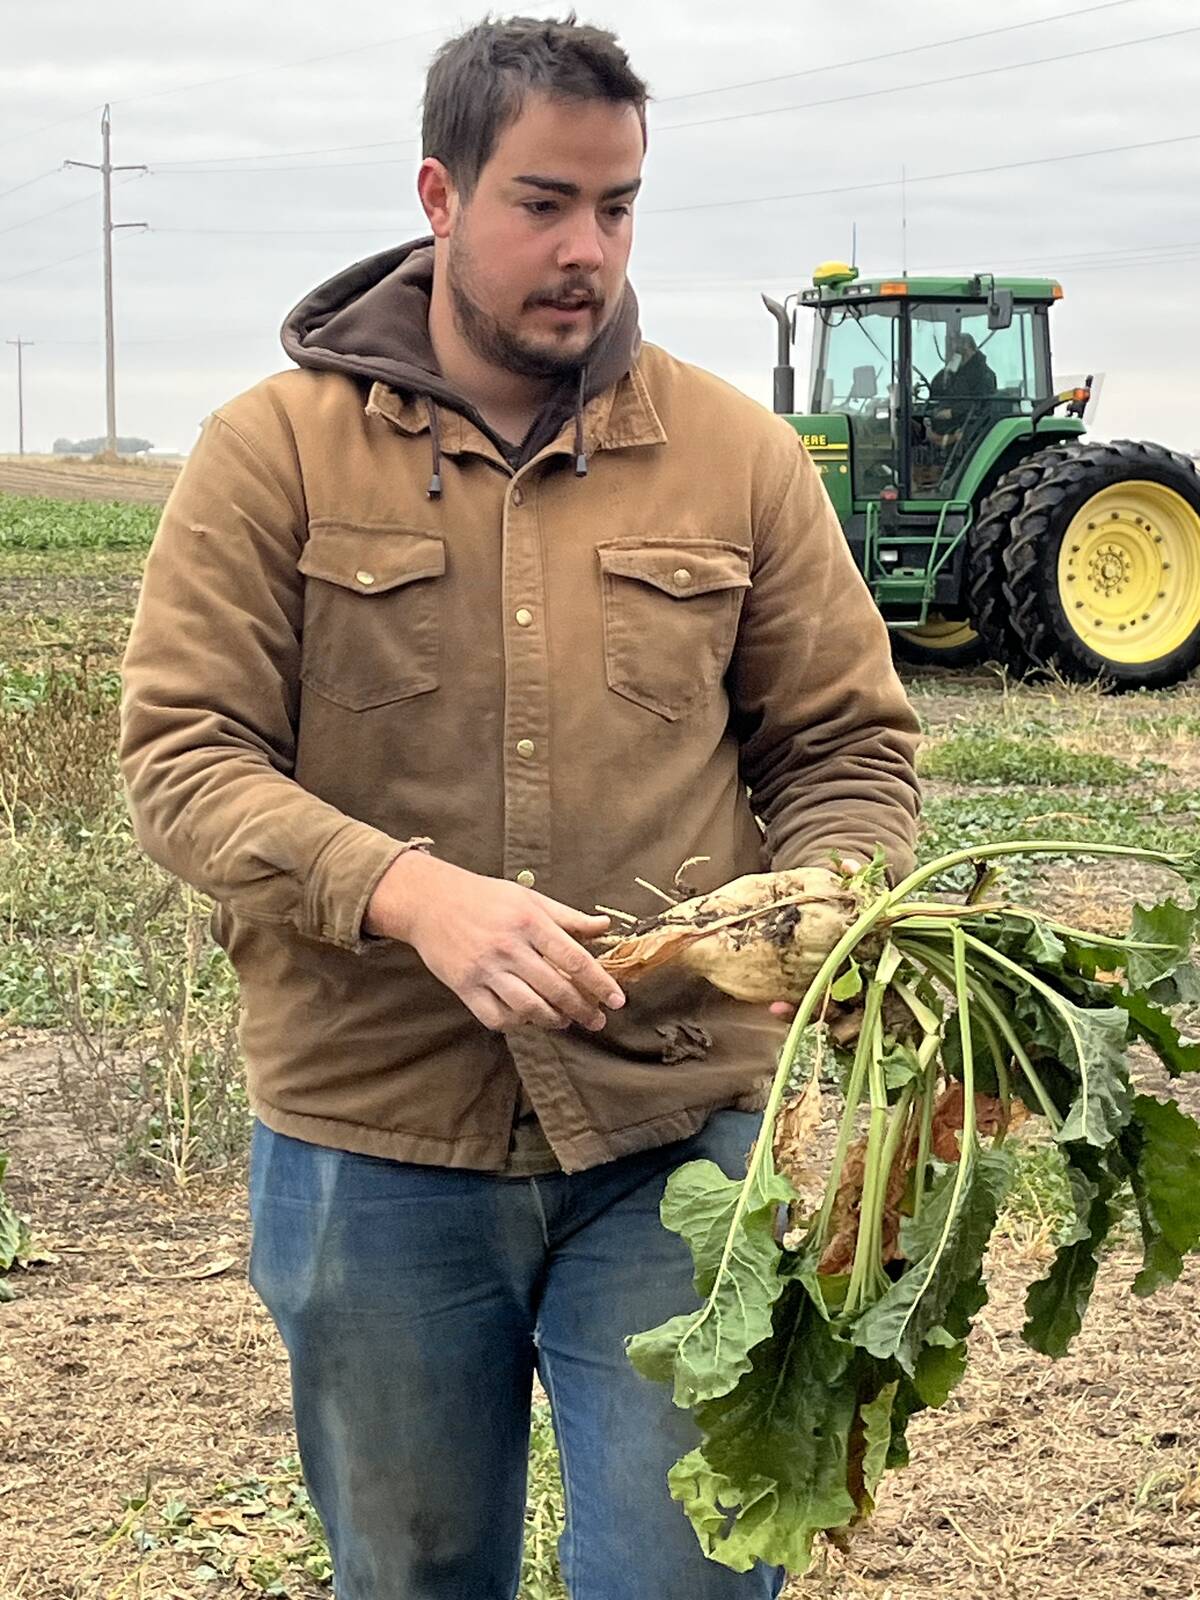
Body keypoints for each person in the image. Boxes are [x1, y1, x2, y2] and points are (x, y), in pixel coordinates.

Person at [119, 16, 921, 1599]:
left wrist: (829, 897)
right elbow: (183, 758)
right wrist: (416, 897)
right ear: (439, 192)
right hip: (378, 1130)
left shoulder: (737, 459)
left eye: (618, 209)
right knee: (415, 1570)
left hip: (680, 1130)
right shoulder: (269, 452)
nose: (588, 251)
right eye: (543, 203)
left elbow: (846, 744)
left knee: (691, 1574)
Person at [926, 331, 997, 450]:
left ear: (967, 347)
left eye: (956, 348)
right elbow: (937, 390)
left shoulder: (983, 374)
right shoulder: (958, 371)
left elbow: (980, 402)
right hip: (949, 416)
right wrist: (948, 371)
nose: (953, 350)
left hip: (966, 421)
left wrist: (952, 412)